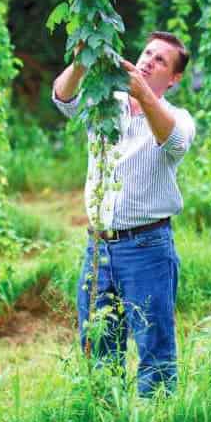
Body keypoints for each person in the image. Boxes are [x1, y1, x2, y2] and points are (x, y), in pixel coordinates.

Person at [52, 30, 195, 396]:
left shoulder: (177, 117)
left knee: (155, 353)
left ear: (174, 78)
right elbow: (63, 98)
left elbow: (174, 142)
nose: (148, 61)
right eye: (147, 53)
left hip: (147, 248)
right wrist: (81, 63)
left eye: (160, 60)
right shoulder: (104, 105)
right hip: (98, 248)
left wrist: (142, 93)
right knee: (98, 347)